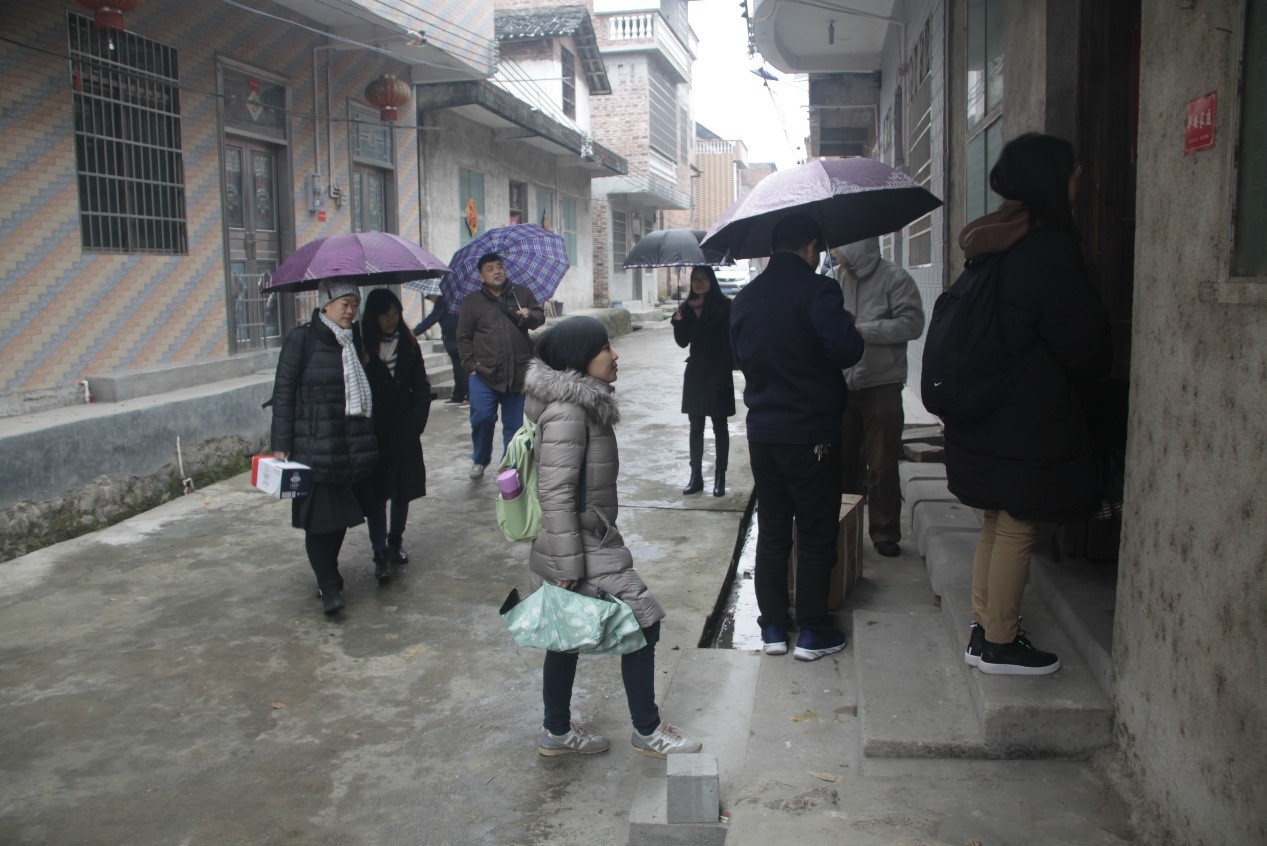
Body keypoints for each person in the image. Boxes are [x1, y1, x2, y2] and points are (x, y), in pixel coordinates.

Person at [949, 132, 1112, 675]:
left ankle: (984, 627)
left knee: (997, 516)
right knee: (1018, 521)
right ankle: (999, 639)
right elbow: (1081, 343)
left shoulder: (993, 240)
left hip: (989, 403)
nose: (1078, 181)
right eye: (1074, 170)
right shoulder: (1046, 246)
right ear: (1052, 177)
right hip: (1029, 410)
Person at [525, 317, 702, 758]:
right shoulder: (568, 412)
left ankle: (557, 732)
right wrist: (567, 565)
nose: (615, 354)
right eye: (606, 347)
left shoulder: (583, 407)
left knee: (565, 636)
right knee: (644, 621)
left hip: (589, 540)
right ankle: (647, 731)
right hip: (581, 546)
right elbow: (557, 491)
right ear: (579, 359)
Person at [730, 213, 865, 661]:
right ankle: (812, 630)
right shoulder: (819, 290)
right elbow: (848, 349)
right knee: (815, 531)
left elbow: (740, 355)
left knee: (772, 529)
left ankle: (772, 627)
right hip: (811, 434)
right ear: (810, 247)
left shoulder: (746, 298)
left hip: (764, 434)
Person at [270, 279, 378, 615]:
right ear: (326, 303)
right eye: (345, 303)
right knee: (320, 521)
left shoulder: (353, 340)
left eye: (355, 304)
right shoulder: (301, 340)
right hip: (312, 446)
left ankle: (327, 574)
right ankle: (329, 586)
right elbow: (284, 392)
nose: (350, 311)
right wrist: (281, 444)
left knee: (341, 518)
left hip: (346, 446)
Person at [830, 237, 925, 557]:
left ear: (855, 248)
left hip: (881, 384)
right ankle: (845, 528)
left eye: (841, 248)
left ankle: (885, 531)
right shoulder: (836, 279)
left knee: (882, 462)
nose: (835, 253)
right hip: (843, 383)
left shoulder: (895, 278)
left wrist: (864, 330)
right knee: (843, 462)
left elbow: (912, 324)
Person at [362, 288, 431, 584]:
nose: (391, 319)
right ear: (373, 316)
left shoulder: (409, 344)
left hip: (403, 430)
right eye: (385, 314)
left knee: (402, 490)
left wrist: (416, 423)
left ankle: (395, 541)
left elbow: (422, 388)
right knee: (377, 495)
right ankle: (379, 552)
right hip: (373, 432)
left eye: (395, 313)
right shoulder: (361, 346)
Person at [456, 253, 545, 481]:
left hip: (518, 372)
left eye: (499, 267)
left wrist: (529, 315)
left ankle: (509, 465)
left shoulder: (521, 293)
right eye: (490, 269)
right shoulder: (472, 302)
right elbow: (463, 337)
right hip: (483, 374)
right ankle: (480, 457)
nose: (497, 271)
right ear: (481, 276)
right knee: (482, 419)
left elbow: (539, 317)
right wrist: (470, 366)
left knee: (515, 426)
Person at [671, 265, 735, 497]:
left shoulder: (725, 306)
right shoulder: (686, 308)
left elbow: (730, 341)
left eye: (703, 278)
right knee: (695, 427)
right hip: (696, 373)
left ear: (711, 281)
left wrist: (725, 372)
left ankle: (720, 477)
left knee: (720, 426)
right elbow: (682, 342)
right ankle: (695, 477)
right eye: (695, 279)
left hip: (719, 371)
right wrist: (678, 322)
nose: (698, 282)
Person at [414, 293, 467, 406]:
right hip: (462, 337)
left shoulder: (442, 300)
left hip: (454, 339)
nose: (431, 301)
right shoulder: (454, 298)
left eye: (430, 298)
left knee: (459, 369)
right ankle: (458, 396)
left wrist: (414, 333)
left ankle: (468, 396)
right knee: (459, 367)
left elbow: (431, 319)